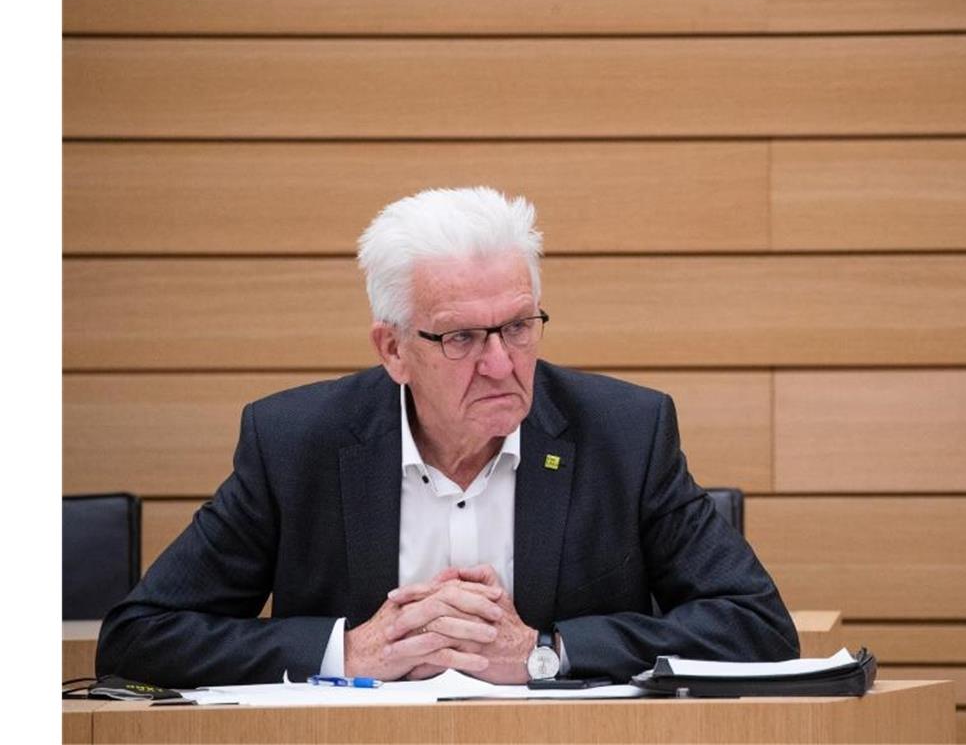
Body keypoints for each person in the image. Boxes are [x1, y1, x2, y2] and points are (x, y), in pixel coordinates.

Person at [96, 187, 799, 687]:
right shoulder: (295, 443)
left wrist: (543, 653)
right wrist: (348, 651)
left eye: (519, 326)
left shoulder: (625, 431)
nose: (501, 364)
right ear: (393, 348)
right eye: (461, 337)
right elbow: (139, 637)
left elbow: (757, 627)